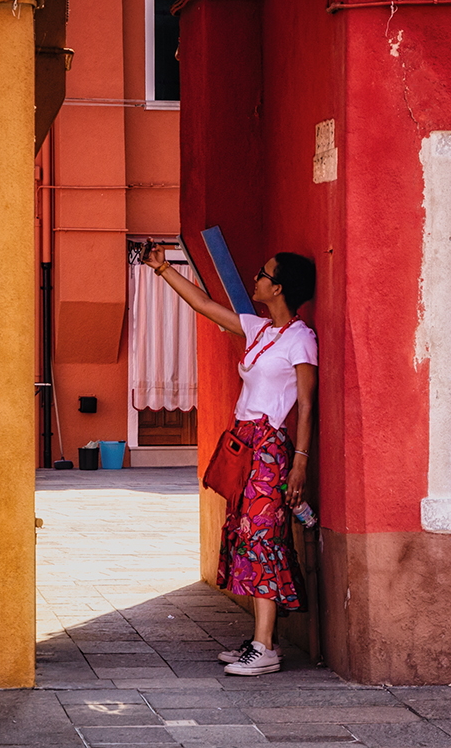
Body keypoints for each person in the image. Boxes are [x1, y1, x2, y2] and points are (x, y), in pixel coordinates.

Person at [142, 244, 317, 676]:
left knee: (262, 538)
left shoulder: (301, 338)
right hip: (242, 444)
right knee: (246, 534)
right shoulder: (259, 329)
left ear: (278, 288)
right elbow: (203, 305)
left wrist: (300, 463)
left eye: (263, 274)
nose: (254, 278)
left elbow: (308, 405)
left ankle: (264, 649)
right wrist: (162, 268)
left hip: (271, 448)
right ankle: (264, 639)